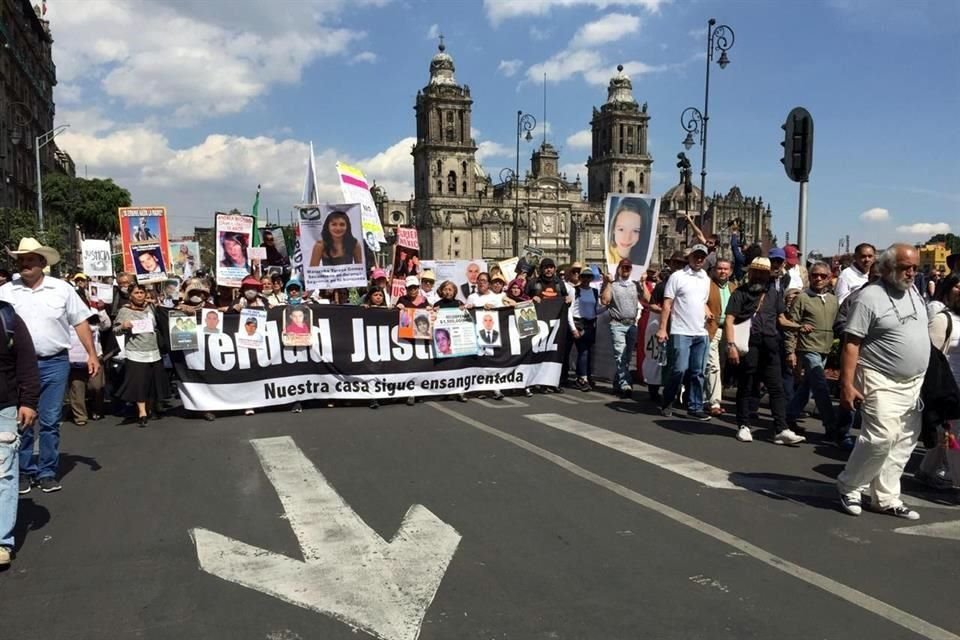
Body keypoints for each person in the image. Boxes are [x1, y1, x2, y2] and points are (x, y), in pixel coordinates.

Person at [0, 238, 99, 494]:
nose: (24, 264)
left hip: (54, 362)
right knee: (21, 420)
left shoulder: (62, 289)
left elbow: (80, 322)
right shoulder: (6, 292)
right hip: (18, 367)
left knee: (50, 421)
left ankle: (46, 471)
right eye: (21, 260)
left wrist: (92, 354)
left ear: (42, 263)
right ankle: (23, 471)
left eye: (30, 259)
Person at [836, 244, 928, 520]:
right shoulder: (869, 297)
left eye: (915, 267)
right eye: (905, 268)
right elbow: (851, 343)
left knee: (904, 441)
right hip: (879, 377)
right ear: (887, 268)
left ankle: (886, 498)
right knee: (880, 437)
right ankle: (849, 485)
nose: (912, 273)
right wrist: (846, 385)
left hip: (913, 382)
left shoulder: (914, 292)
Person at [724, 258, 808, 445]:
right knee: (747, 384)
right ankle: (743, 425)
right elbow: (729, 319)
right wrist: (731, 346)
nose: (760, 276)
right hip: (749, 343)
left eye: (764, 273)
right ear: (751, 272)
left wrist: (798, 326)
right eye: (757, 272)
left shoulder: (773, 293)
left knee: (776, 387)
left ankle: (781, 429)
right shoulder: (740, 293)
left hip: (770, 344)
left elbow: (781, 319)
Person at [784, 261, 846, 447]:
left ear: (829, 278)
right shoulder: (802, 298)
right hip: (808, 349)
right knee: (821, 386)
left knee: (807, 388)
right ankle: (831, 427)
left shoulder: (834, 300)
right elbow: (790, 326)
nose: (818, 279)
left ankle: (788, 417)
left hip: (825, 349)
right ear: (809, 277)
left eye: (823, 276)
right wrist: (790, 351)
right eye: (814, 275)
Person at [0, 299, 39, 566]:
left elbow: (26, 361)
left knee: (3, 474)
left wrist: (28, 401)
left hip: (3, 405)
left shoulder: (7, 317)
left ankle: (2, 541)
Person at [656, 244, 712, 421]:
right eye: (696, 256)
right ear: (690, 257)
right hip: (681, 330)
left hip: (700, 332)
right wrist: (663, 328)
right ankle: (668, 400)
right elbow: (667, 304)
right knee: (679, 369)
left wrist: (707, 310)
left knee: (698, 372)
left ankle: (695, 407)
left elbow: (701, 300)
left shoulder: (705, 278)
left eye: (702, 257)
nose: (699, 259)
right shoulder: (677, 276)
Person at [916, 273, 960, 488]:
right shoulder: (943, 319)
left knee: (948, 433)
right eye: (958, 287)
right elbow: (930, 355)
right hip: (948, 385)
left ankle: (925, 471)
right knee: (955, 436)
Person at [114, 284, 168, 428]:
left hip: (153, 350)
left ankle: (150, 408)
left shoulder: (151, 307)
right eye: (136, 293)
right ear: (130, 295)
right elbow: (115, 330)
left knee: (151, 382)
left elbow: (162, 320)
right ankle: (142, 412)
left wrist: (158, 305)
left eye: (142, 292)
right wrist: (123, 326)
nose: (139, 295)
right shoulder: (124, 311)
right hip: (136, 352)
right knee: (139, 383)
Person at [601, 258, 642, 398]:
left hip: (631, 324)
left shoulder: (635, 285)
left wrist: (643, 283)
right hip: (617, 324)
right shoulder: (613, 285)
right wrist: (608, 283)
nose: (626, 270)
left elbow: (648, 299)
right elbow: (605, 301)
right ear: (618, 269)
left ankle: (617, 383)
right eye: (623, 267)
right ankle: (626, 384)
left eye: (628, 268)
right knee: (620, 355)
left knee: (627, 356)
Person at [705, 258, 736, 416]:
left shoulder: (733, 287)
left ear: (730, 271)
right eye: (720, 268)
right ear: (714, 270)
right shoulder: (708, 286)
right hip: (712, 329)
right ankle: (714, 402)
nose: (723, 271)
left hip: (728, 331)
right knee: (713, 365)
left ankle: (707, 396)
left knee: (722, 366)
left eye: (726, 269)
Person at [68, 308, 109, 426]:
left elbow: (106, 325)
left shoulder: (93, 312)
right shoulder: (67, 314)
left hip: (95, 356)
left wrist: (101, 310)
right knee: (77, 387)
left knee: (97, 386)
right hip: (75, 358)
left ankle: (96, 408)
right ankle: (80, 415)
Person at [570, 265, 600, 391]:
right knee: (583, 351)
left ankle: (585, 375)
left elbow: (596, 310)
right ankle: (582, 378)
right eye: (584, 276)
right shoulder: (574, 290)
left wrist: (608, 307)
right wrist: (573, 328)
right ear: (580, 277)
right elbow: (569, 311)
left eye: (589, 276)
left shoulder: (594, 291)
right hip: (579, 323)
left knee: (589, 351)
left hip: (591, 324)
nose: (586, 279)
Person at [606, 198, 651, 269]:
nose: (627, 238)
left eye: (635, 231)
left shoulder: (642, 259)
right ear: (613, 228)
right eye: (621, 229)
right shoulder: (609, 257)